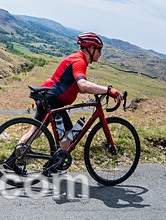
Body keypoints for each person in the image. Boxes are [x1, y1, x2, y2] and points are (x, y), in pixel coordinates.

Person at [11, 32, 123, 174]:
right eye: (99, 50)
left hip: (49, 97)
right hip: (54, 100)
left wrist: (99, 90)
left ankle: (12, 161)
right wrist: (108, 90)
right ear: (91, 49)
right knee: (69, 135)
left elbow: (76, 87)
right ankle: (53, 166)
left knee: (36, 131)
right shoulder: (79, 61)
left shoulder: (77, 58)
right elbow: (83, 85)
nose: (100, 54)